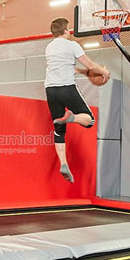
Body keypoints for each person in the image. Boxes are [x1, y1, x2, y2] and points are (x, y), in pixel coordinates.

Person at [45, 17, 110, 183]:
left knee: (59, 128)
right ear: (66, 31)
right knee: (90, 120)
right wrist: (103, 72)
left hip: (51, 90)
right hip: (66, 87)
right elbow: (90, 64)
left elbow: (69, 67)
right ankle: (72, 118)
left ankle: (64, 163)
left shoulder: (49, 47)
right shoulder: (71, 45)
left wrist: (83, 73)